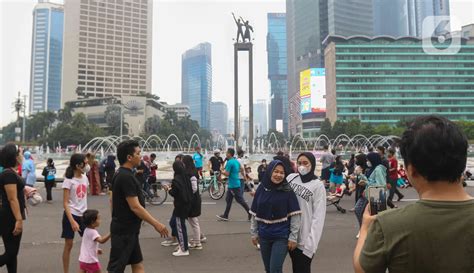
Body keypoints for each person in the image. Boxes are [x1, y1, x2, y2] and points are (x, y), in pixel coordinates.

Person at [354, 115, 474, 273]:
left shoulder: (388, 224)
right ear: (462, 163)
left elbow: (363, 269)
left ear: (412, 171)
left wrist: (365, 229)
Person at [107, 140, 169, 272]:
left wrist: (115, 220)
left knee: (137, 264)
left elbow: (112, 200)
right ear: (129, 157)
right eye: (138, 153)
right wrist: (156, 224)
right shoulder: (126, 177)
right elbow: (135, 206)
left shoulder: (121, 173)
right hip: (124, 232)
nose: (141, 156)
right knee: (115, 269)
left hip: (128, 230)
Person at [250, 160, 301, 273]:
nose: (278, 175)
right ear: (269, 172)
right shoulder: (261, 189)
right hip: (264, 236)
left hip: (281, 236)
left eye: (282, 173)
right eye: (276, 171)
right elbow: (254, 213)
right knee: (268, 269)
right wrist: (253, 233)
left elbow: (295, 215)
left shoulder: (287, 190)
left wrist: (293, 237)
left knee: (275, 269)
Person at [287, 152, 326, 273]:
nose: (302, 166)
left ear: (312, 164)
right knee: (295, 268)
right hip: (290, 235)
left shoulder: (318, 186)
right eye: (299, 163)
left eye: (305, 163)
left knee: (303, 269)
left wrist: (311, 245)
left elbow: (318, 217)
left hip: (305, 239)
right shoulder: (291, 178)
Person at [0, 144, 26, 273]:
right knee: (11, 252)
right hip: (10, 217)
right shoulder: (8, 174)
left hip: (10, 215)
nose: (22, 155)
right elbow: (12, 198)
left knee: (12, 253)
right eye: (20, 153)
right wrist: (19, 220)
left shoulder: (10, 172)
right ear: (14, 157)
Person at [62, 153, 89, 273]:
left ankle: (85, 269)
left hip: (84, 215)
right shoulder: (69, 180)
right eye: (85, 163)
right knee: (69, 245)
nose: (87, 165)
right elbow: (65, 203)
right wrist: (72, 221)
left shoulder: (85, 178)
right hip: (71, 215)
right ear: (78, 166)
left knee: (88, 242)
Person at [163, 161, 193, 257]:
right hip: (187, 204)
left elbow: (174, 193)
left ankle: (184, 249)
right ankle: (182, 242)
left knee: (180, 226)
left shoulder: (176, 179)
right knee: (174, 223)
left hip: (180, 206)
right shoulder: (186, 176)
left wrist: (168, 189)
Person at [354, 152, 386, 236]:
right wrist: (361, 176)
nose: (367, 162)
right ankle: (366, 230)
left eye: (368, 160)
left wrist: (366, 182)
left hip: (376, 194)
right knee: (369, 214)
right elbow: (371, 180)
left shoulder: (378, 169)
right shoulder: (373, 168)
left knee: (374, 216)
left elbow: (380, 185)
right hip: (370, 193)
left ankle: (366, 231)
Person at [216, 148, 251, 221]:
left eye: (226, 152)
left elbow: (227, 174)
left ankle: (250, 213)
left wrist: (221, 171)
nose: (225, 154)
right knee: (228, 199)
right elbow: (241, 169)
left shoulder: (230, 162)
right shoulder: (235, 161)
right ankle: (225, 215)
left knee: (240, 200)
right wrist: (240, 175)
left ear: (229, 154)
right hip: (234, 183)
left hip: (234, 185)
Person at [182, 155, 205, 250]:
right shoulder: (193, 170)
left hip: (192, 200)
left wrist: (187, 194)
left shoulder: (191, 173)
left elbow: (194, 188)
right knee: (193, 220)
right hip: (194, 199)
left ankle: (198, 242)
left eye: (183, 162)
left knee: (193, 221)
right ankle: (198, 238)